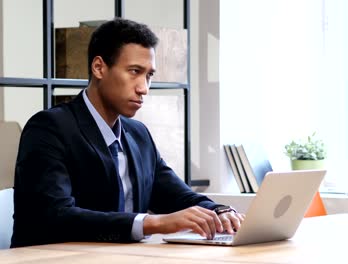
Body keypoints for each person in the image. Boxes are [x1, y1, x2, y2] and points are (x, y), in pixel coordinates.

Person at [11, 18, 244, 248]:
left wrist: (220, 210)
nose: (144, 88)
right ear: (99, 67)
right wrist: (153, 223)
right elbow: (56, 216)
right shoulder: (48, 128)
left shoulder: (138, 134)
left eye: (149, 75)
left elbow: (178, 196)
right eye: (134, 71)